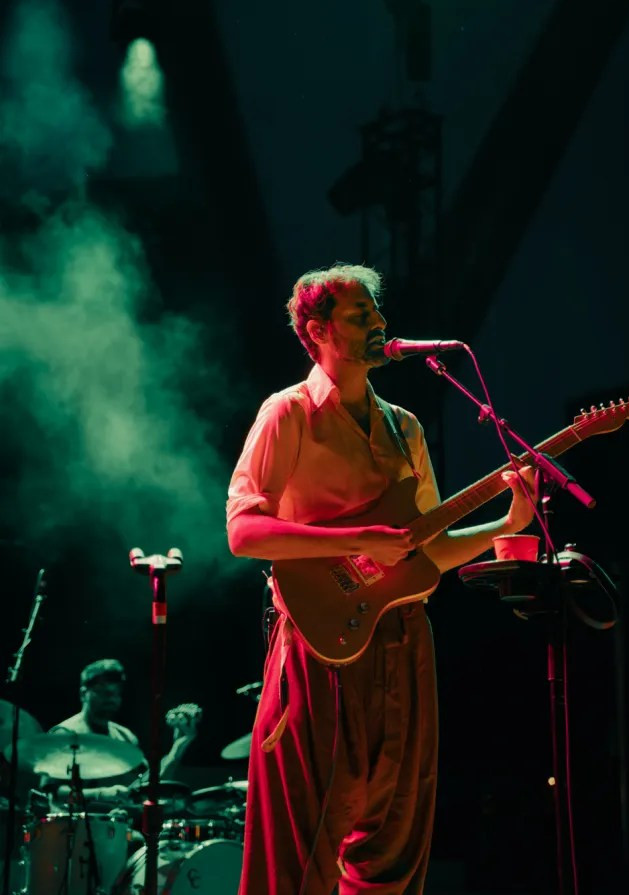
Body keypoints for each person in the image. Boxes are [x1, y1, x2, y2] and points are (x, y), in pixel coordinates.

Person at [226, 263, 538, 895]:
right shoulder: (287, 413)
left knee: (393, 845)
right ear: (317, 332)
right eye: (360, 315)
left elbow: (424, 549)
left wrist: (509, 520)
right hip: (322, 649)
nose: (380, 323)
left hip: (403, 641)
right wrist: (356, 539)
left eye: (377, 312)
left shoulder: (405, 426)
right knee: (304, 846)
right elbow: (244, 532)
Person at [47, 658, 199, 806]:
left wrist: (177, 749)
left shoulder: (124, 736)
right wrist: (104, 794)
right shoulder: (64, 734)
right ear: (83, 693)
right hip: (73, 829)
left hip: (118, 829)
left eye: (115, 692)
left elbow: (146, 788)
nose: (110, 698)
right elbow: (54, 795)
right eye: (103, 691)